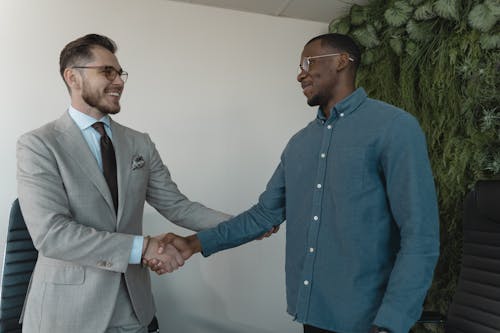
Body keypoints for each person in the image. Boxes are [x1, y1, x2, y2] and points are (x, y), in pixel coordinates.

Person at [152, 33, 440, 333]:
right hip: (313, 313)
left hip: (371, 320)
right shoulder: (299, 144)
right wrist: (192, 244)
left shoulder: (394, 127)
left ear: (342, 61)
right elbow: (264, 215)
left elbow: (420, 235)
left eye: (307, 62)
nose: (300, 74)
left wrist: (393, 322)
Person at [16, 33, 234, 333]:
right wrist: (143, 247)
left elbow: (177, 206)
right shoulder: (39, 144)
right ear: (73, 77)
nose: (119, 81)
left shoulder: (139, 143)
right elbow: (52, 234)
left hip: (133, 309)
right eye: (107, 71)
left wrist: (245, 224)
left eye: (120, 73)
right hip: (66, 314)